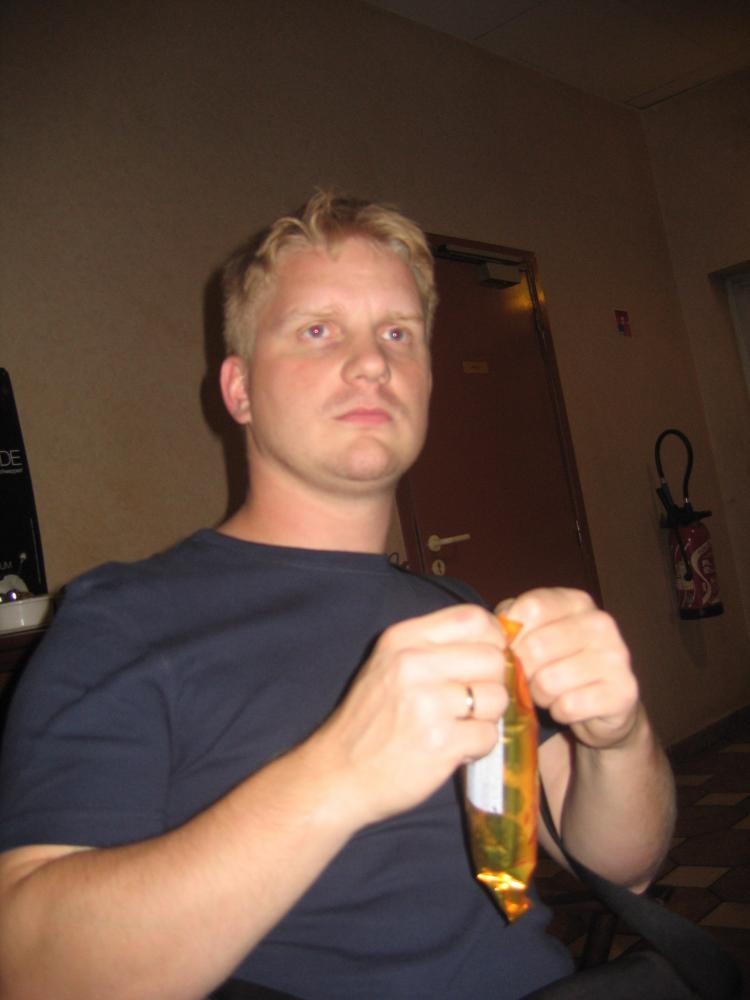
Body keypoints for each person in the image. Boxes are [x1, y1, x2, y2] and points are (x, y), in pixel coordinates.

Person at [0, 191, 676, 1000]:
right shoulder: (120, 619)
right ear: (239, 390)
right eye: (318, 330)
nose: (372, 363)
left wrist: (618, 739)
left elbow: (624, 867)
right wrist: (337, 777)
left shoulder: (457, 612)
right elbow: (30, 970)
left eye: (398, 334)